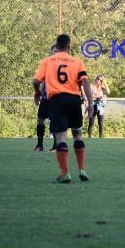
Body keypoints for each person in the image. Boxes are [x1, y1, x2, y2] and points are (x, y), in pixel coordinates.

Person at [34, 34, 94, 183]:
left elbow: (36, 80)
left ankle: (65, 174)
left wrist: (38, 92)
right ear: (69, 46)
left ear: (57, 45)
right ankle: (82, 170)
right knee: (77, 135)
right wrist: (90, 103)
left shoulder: (47, 61)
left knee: (61, 137)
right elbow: (85, 82)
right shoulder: (77, 62)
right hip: (74, 100)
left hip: (56, 100)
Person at [33, 45, 58, 152]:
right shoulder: (46, 63)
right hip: (46, 97)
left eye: (58, 50)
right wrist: (38, 93)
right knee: (40, 120)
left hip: (57, 98)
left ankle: (56, 146)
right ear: (51, 51)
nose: (56, 52)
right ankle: (39, 145)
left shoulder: (64, 65)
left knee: (55, 121)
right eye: (54, 50)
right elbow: (38, 80)